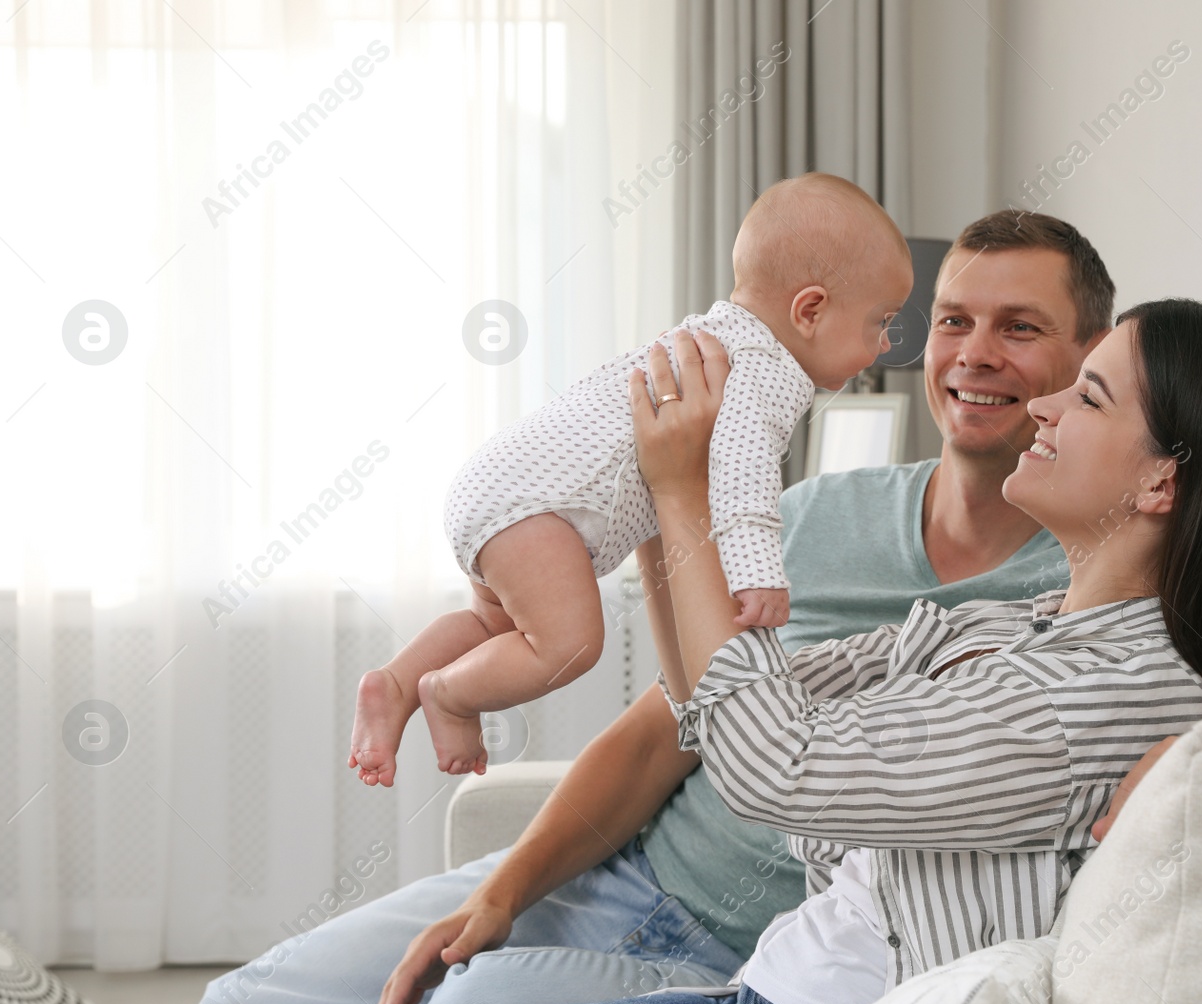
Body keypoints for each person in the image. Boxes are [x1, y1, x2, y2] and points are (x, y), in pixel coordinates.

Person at [266, 297, 1202, 1004]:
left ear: (1162, 480)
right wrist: (665, 510)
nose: (1038, 407)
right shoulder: (1024, 624)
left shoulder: (1106, 695)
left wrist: (689, 489)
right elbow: (735, 704)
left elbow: (775, 766)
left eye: (1083, 395)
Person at [170, 210, 1106, 1004]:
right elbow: (664, 728)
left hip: (751, 958)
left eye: (1019, 327)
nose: (974, 354)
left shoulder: (1087, 600)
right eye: (952, 321)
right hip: (624, 871)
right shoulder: (815, 513)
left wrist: (674, 486)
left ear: (1092, 356)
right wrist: (503, 893)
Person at [351, 173, 913, 780]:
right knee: (568, 646)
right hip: (538, 510)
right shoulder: (765, 371)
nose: (882, 345)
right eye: (879, 322)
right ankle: (450, 695)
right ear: (811, 310)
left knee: (496, 625)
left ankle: (396, 683)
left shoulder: (708, 337)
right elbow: (743, 478)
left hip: (500, 487)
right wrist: (757, 575)